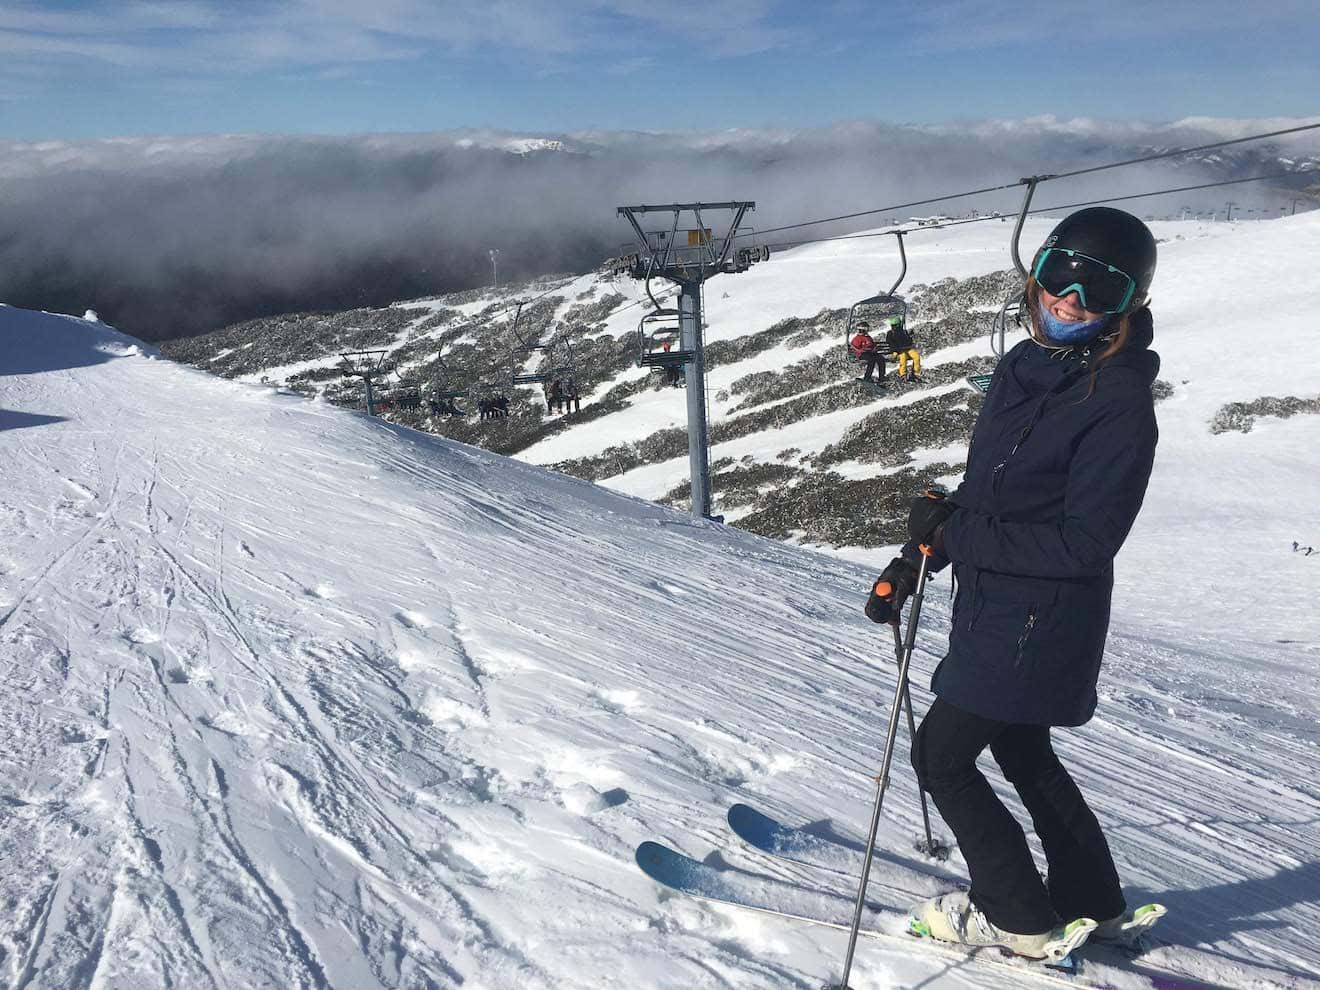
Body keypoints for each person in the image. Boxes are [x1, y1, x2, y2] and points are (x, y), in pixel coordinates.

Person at [864, 207, 1161, 959]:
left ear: (1129, 303)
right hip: (999, 603)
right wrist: (920, 551)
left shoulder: (1118, 402)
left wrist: (955, 533)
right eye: (1059, 274)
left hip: (1041, 618)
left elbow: (1087, 544)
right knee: (1023, 751)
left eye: (1098, 288)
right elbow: (989, 492)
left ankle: (1016, 916)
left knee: (942, 757)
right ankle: (1094, 899)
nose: (1069, 298)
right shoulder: (1024, 368)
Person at [885, 315, 922, 382]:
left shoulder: (903, 332)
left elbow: (908, 341)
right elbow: (890, 343)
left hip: (907, 349)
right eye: (892, 326)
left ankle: (916, 373)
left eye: (895, 325)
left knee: (916, 356)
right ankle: (903, 374)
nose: (893, 327)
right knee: (903, 357)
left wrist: (909, 338)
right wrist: (897, 349)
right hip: (898, 350)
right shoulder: (890, 333)